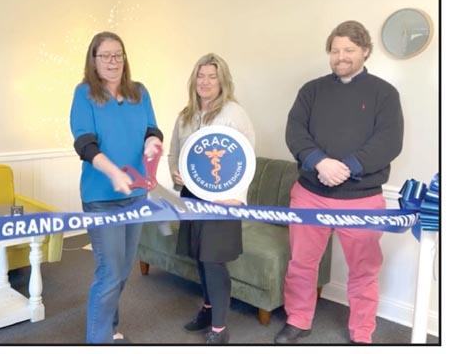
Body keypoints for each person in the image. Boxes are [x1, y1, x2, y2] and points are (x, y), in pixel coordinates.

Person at [276, 20, 404, 344]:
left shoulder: (385, 94)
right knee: (301, 264)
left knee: (364, 270)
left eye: (349, 49)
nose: (341, 56)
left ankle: (362, 332)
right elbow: (295, 132)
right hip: (310, 194)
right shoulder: (311, 90)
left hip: (362, 199)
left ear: (365, 51)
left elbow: (389, 141)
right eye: (335, 50)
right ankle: (298, 319)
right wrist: (319, 161)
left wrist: (347, 167)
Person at [69, 31, 163, 344]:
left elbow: (151, 129)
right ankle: (98, 340)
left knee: (122, 271)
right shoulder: (84, 94)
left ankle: (109, 325)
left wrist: (152, 143)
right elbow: (84, 143)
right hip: (101, 198)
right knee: (109, 272)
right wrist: (113, 173)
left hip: (136, 196)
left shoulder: (139, 92)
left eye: (118, 55)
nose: (113, 61)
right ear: (93, 61)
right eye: (105, 56)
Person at [168, 53, 256, 344]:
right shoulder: (186, 115)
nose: (205, 82)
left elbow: (246, 158)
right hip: (192, 197)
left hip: (223, 200)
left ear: (222, 81)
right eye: (200, 76)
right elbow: (175, 152)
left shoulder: (234, 113)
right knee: (199, 256)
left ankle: (219, 328)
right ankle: (207, 311)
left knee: (214, 261)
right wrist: (176, 173)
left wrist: (238, 198)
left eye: (212, 76)